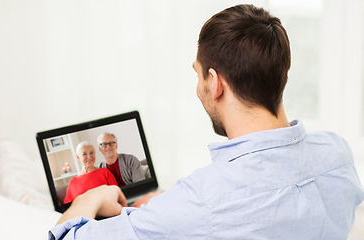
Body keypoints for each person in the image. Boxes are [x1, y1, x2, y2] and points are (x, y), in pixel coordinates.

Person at [50, 4, 364, 239]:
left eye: (198, 74)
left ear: (215, 83)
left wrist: (91, 197)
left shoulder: (205, 198)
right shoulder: (338, 154)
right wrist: (170, 209)